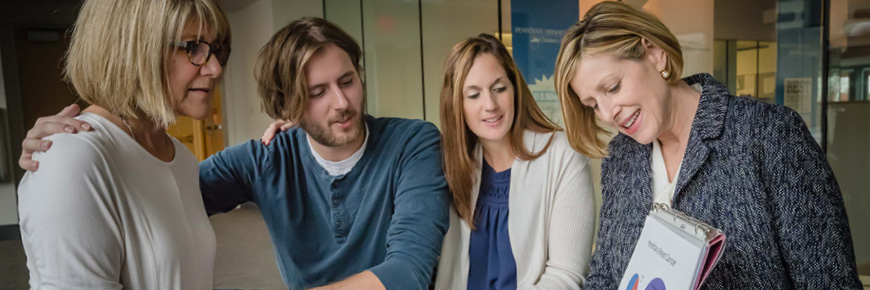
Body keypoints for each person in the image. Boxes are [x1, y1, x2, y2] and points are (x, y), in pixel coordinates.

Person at [18, 17, 449, 290]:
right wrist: (65, 148)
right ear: (287, 106)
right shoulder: (265, 158)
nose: (341, 102)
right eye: (316, 93)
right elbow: (161, 201)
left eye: (348, 81)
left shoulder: (412, 142)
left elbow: (408, 272)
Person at [552, 2, 862, 289]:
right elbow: (606, 274)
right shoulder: (621, 157)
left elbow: (830, 280)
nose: (607, 114)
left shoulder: (767, 135)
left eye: (613, 87)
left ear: (654, 52)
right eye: (592, 104)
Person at [16, 0, 231, 288]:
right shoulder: (72, 159)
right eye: (192, 47)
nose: (215, 68)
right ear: (133, 49)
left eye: (215, 49)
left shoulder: (181, 157)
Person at [432, 34, 596, 290]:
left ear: (515, 89)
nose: (490, 105)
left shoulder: (562, 155)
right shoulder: (444, 165)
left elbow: (566, 274)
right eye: (474, 95)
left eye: (499, 89)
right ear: (457, 105)